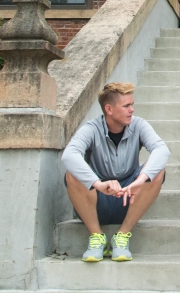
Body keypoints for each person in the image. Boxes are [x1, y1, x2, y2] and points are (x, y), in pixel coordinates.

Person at [61, 81, 169, 262]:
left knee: (157, 171)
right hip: (96, 201)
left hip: (129, 197)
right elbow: (69, 155)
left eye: (132, 105)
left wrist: (139, 181)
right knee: (72, 173)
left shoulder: (139, 125)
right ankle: (96, 236)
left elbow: (162, 150)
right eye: (126, 106)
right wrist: (98, 184)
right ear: (109, 109)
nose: (132, 110)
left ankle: (122, 236)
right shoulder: (91, 128)